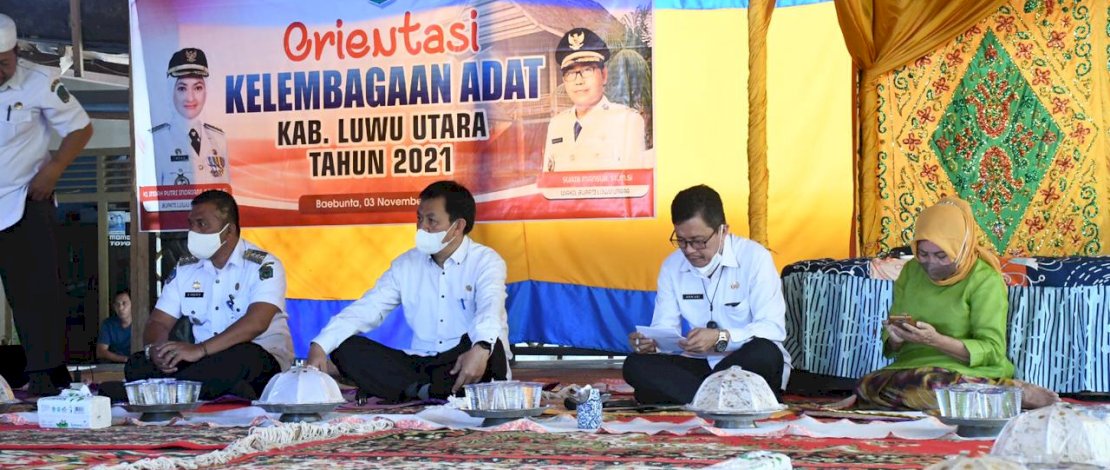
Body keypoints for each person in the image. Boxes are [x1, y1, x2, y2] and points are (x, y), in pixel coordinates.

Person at [307, 181, 510, 403]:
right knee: (345, 347)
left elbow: (489, 309)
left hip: (463, 359)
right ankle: (428, 390)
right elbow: (369, 308)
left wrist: (480, 348)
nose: (422, 227)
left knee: (492, 348)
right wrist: (320, 344)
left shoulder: (486, 261)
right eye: (419, 219)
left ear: (458, 226)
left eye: (431, 220)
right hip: (420, 364)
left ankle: (414, 391)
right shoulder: (406, 264)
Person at [855, 197, 1059, 410]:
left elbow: (992, 349)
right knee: (866, 386)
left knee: (934, 386)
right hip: (911, 369)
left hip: (960, 373)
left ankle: (1004, 390)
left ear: (960, 248)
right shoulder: (910, 272)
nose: (931, 263)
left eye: (941, 255)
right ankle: (991, 396)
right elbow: (891, 342)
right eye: (923, 254)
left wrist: (935, 340)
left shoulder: (983, 279)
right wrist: (896, 338)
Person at [623, 185, 791, 404]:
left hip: (746, 361)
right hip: (700, 364)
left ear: (723, 230)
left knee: (765, 352)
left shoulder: (755, 258)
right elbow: (665, 329)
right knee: (635, 365)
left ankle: (692, 396)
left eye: (699, 241)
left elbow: (772, 329)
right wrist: (651, 343)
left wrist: (720, 338)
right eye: (681, 241)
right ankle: (725, 398)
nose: (690, 250)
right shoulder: (672, 267)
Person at [0, 13, 94, 395]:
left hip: (24, 198)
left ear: (16, 52)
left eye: (2, 64)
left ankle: (46, 375)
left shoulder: (40, 83)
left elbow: (80, 128)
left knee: (36, 293)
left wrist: (54, 169)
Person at [125, 190, 293, 399]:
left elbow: (256, 323)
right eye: (191, 224)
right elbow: (158, 321)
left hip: (258, 359)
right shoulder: (186, 269)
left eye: (202, 224)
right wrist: (158, 351)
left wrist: (200, 349)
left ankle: (163, 392)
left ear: (229, 230)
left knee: (243, 356)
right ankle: (199, 389)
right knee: (138, 362)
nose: (193, 231)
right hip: (204, 362)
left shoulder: (264, 265)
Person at [542, 27, 645, 173]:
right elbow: (548, 184)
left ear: (603, 75)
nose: (579, 81)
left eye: (587, 70)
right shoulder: (556, 124)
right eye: (570, 73)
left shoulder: (627, 121)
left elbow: (635, 188)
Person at [152, 47, 229, 187]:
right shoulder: (156, 141)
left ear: (206, 91)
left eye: (198, 88)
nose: (190, 98)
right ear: (171, 91)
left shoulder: (219, 139)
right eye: (182, 88)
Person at [96, 290, 133, 363]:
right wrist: (125, 359)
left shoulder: (140, 323)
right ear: (114, 307)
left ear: (132, 304)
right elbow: (100, 352)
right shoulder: (108, 324)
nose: (120, 308)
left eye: (124, 303)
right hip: (113, 367)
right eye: (117, 304)